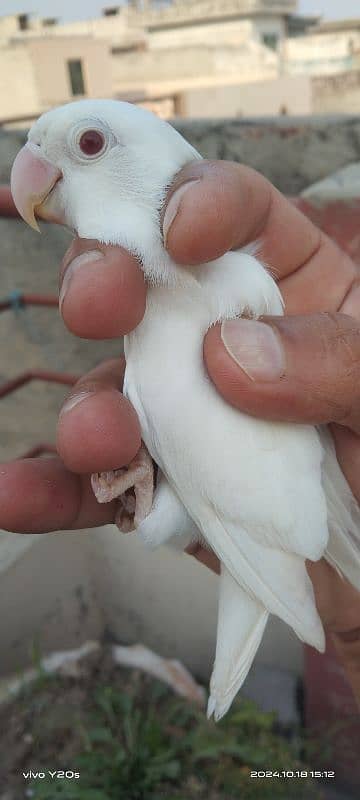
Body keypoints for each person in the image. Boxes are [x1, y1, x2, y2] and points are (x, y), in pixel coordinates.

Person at [0, 161, 359, 701]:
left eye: (89, 146)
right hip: (268, 515)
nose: (34, 164)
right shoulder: (225, 284)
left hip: (265, 519)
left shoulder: (202, 293)